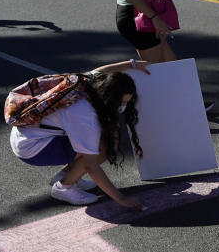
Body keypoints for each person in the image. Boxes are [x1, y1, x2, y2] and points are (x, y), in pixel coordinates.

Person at [9, 60, 150, 209]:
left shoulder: (93, 82)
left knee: (108, 137)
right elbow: (91, 165)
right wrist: (122, 199)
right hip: (33, 148)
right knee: (106, 145)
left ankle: (68, 175)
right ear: (109, 99)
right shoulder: (84, 115)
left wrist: (133, 64)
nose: (123, 107)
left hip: (27, 134)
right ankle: (64, 188)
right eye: (120, 103)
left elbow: (102, 69)